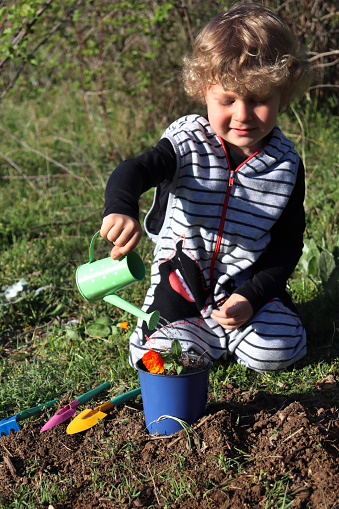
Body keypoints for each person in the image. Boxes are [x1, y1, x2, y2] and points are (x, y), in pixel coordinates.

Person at [100, 3, 312, 372]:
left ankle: (239, 331)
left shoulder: (285, 164)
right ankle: (195, 333)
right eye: (227, 100)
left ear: (284, 93)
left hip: (247, 289)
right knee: (163, 358)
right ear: (203, 91)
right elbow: (134, 170)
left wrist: (252, 295)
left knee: (279, 351)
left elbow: (288, 243)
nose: (243, 115)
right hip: (181, 288)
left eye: (260, 100)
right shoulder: (187, 143)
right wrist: (120, 206)